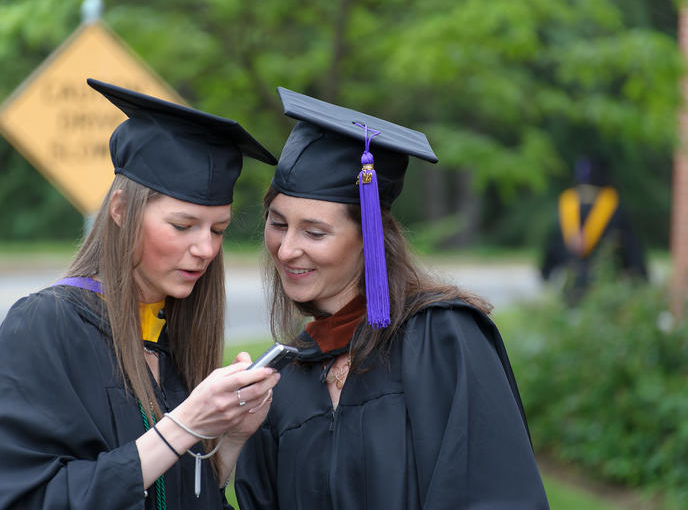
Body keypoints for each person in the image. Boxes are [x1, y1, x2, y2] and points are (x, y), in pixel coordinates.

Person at [234, 88, 549, 509]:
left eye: (314, 232)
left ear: (369, 238)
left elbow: (498, 494)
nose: (287, 249)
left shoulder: (442, 341)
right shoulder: (286, 379)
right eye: (278, 223)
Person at [0, 79, 281, 509]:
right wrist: (185, 424)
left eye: (217, 230)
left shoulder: (172, 336)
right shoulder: (44, 325)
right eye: (182, 225)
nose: (205, 249)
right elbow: (26, 498)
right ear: (120, 210)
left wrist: (228, 439)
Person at [540, 156, 648, 305]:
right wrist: (639, 273)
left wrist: (546, 271)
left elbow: (553, 243)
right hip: (604, 282)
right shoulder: (614, 205)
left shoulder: (567, 202)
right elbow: (631, 245)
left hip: (571, 279)